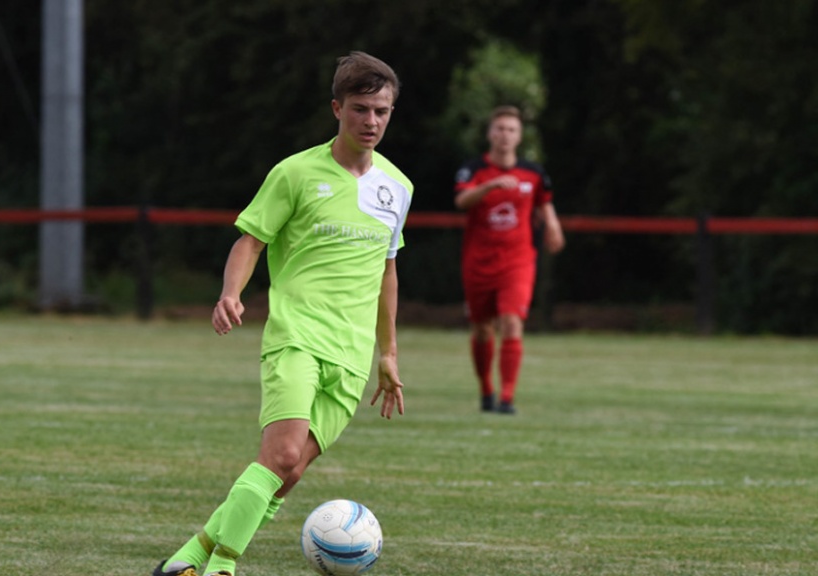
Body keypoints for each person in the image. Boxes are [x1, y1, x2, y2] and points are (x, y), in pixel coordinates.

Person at [152, 51, 412, 576]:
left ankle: (191, 555)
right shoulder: (294, 173)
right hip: (296, 337)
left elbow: (387, 272)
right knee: (282, 456)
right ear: (336, 108)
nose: (371, 121)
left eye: (382, 111)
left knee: (287, 473)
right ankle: (222, 566)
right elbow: (250, 241)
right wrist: (231, 292)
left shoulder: (397, 187)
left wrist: (387, 353)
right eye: (361, 109)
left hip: (351, 356)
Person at [453, 105, 564, 415]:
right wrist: (489, 186)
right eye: (500, 128)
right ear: (490, 133)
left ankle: (507, 397)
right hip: (478, 261)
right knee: (483, 329)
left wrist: (553, 225)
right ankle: (486, 390)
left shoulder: (534, 172)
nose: (505, 135)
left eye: (511, 130)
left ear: (519, 137)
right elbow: (462, 200)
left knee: (512, 323)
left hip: (517, 261)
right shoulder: (473, 170)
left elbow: (544, 202)